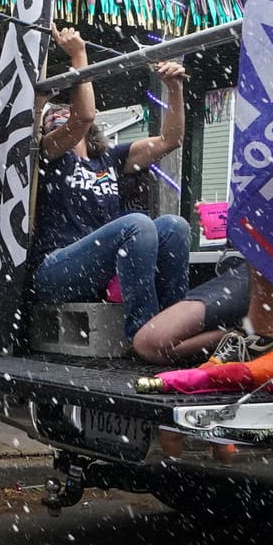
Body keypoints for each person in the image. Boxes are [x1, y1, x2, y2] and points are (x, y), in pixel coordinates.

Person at [29, 29, 190, 343]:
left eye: (64, 111)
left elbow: (171, 139)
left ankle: (175, 333)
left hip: (97, 269)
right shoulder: (49, 154)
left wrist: (173, 89)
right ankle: (143, 336)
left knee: (175, 226)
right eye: (53, 115)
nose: (60, 115)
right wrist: (78, 55)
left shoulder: (110, 159)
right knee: (136, 224)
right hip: (54, 271)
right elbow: (84, 116)